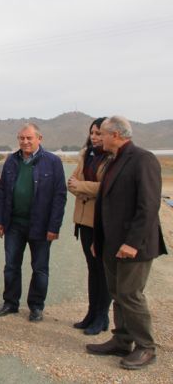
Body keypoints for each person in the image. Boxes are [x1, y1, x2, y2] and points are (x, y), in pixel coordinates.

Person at [86, 116, 167, 370]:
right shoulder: (113, 161)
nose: (98, 137)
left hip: (134, 246)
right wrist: (98, 240)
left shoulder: (143, 159)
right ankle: (122, 340)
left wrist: (132, 242)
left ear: (117, 135)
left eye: (103, 134)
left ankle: (146, 348)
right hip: (111, 244)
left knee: (131, 295)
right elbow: (105, 203)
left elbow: (149, 205)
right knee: (117, 294)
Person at [0, 123, 67, 322]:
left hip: (41, 226)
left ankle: (36, 306)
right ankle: (10, 303)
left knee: (40, 268)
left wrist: (54, 227)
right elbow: (2, 192)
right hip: (14, 223)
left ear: (39, 139)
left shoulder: (52, 162)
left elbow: (60, 196)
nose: (25, 142)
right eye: (21, 138)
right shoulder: (11, 161)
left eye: (29, 138)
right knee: (11, 266)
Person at [67, 117, 112, 335]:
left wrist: (83, 186)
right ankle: (91, 313)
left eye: (99, 133)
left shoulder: (113, 158)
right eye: (92, 133)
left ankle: (102, 316)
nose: (94, 137)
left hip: (102, 222)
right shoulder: (87, 155)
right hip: (84, 220)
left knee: (103, 270)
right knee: (92, 269)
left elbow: (108, 187)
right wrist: (86, 188)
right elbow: (71, 184)